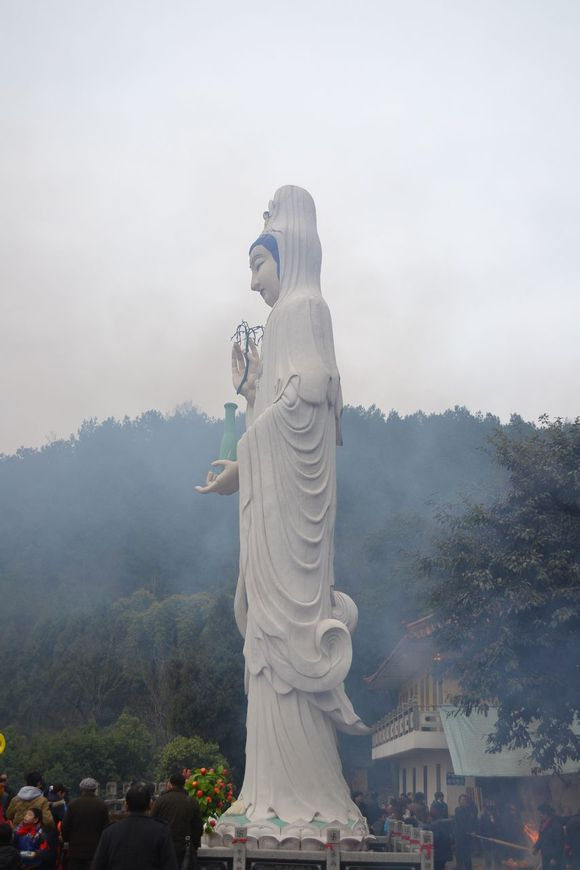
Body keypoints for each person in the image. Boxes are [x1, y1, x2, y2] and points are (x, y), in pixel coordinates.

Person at [196, 186, 368, 828]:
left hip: (295, 522)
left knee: (286, 643)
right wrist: (248, 413)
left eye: (257, 265)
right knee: (267, 651)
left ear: (286, 252)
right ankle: (268, 792)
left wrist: (258, 428)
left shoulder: (303, 308)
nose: (252, 282)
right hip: (277, 508)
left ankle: (304, 799)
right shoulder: (283, 319)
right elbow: (276, 410)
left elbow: (308, 402)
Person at [90, 784, 177, 870]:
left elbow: (98, 865)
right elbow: (170, 865)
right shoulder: (161, 831)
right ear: (150, 805)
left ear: (126, 806)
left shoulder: (109, 832)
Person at [150, 773, 202, 867]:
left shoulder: (161, 800)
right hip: (184, 847)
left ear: (170, 784)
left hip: (164, 848)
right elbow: (197, 827)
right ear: (184, 784)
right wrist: (194, 845)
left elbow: (152, 823)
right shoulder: (191, 801)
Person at [61, 778, 109, 870]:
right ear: (95, 789)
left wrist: (67, 839)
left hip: (75, 850)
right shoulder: (102, 805)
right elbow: (105, 829)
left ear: (81, 789)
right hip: (95, 851)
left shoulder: (73, 804)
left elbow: (65, 826)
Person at [534, 804, 564, 870]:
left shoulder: (556, 825)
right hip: (545, 856)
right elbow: (541, 838)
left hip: (553, 858)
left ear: (546, 814)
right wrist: (536, 847)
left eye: (541, 814)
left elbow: (559, 843)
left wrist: (555, 858)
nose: (540, 816)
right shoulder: (543, 824)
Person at [454, 794, 477, 870]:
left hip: (468, 838)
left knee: (467, 857)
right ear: (459, 801)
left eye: (464, 800)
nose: (462, 801)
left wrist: (473, 831)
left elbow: (473, 821)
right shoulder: (458, 810)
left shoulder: (470, 810)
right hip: (460, 837)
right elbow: (461, 823)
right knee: (460, 858)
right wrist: (468, 831)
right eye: (461, 800)